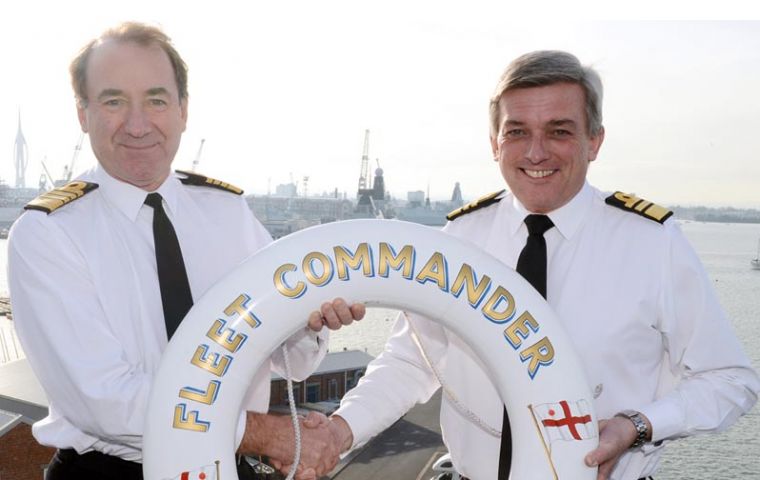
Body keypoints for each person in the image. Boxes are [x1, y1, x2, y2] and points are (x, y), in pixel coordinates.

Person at [311, 50, 760, 480]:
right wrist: (339, 430)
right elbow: (412, 362)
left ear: (594, 141)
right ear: (494, 143)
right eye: (517, 132)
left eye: (560, 131)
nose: (536, 153)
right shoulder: (461, 240)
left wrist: (639, 425)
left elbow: (730, 380)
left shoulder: (651, 244)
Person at [8, 22, 363, 480]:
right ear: (82, 112)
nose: (137, 125)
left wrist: (310, 322)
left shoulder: (228, 213)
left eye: (156, 100)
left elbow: (293, 361)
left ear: (183, 110)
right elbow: (107, 402)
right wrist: (271, 436)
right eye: (114, 101)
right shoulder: (48, 235)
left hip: (230, 467)